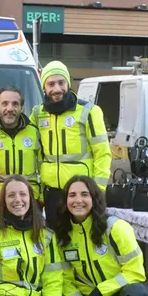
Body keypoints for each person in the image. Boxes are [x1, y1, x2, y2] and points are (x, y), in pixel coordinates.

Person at [30, 61, 110, 230]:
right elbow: (35, 154)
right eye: (51, 84)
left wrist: (97, 191)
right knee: (56, 242)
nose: (57, 89)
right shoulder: (37, 114)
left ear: (68, 83)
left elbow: (102, 153)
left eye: (61, 82)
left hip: (81, 193)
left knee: (84, 239)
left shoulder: (89, 111)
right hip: (52, 194)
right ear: (44, 86)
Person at [0, 87, 42, 205]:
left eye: (15, 104)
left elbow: (43, 167)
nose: (10, 108)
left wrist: (42, 197)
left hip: (30, 199)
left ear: (22, 108)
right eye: (4, 104)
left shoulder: (35, 133)